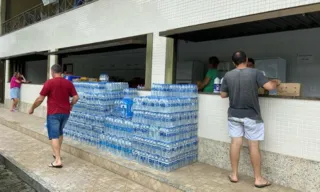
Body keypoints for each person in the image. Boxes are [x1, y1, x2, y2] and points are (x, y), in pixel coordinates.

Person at [220, 51, 280, 188]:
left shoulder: (228, 75)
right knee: (253, 146)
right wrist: (275, 82)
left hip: (234, 115)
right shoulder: (255, 73)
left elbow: (223, 94)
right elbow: (270, 87)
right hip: (252, 116)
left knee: (235, 143)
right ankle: (258, 179)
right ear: (246, 60)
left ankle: (234, 175)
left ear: (233, 62)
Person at [29, 64, 79, 168]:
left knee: (54, 135)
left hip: (53, 113)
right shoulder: (68, 83)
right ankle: (56, 154)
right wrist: (71, 105)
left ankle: (57, 160)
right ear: (61, 72)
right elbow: (76, 97)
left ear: (52, 72)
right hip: (65, 113)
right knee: (60, 133)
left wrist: (32, 108)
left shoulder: (49, 83)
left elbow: (40, 99)